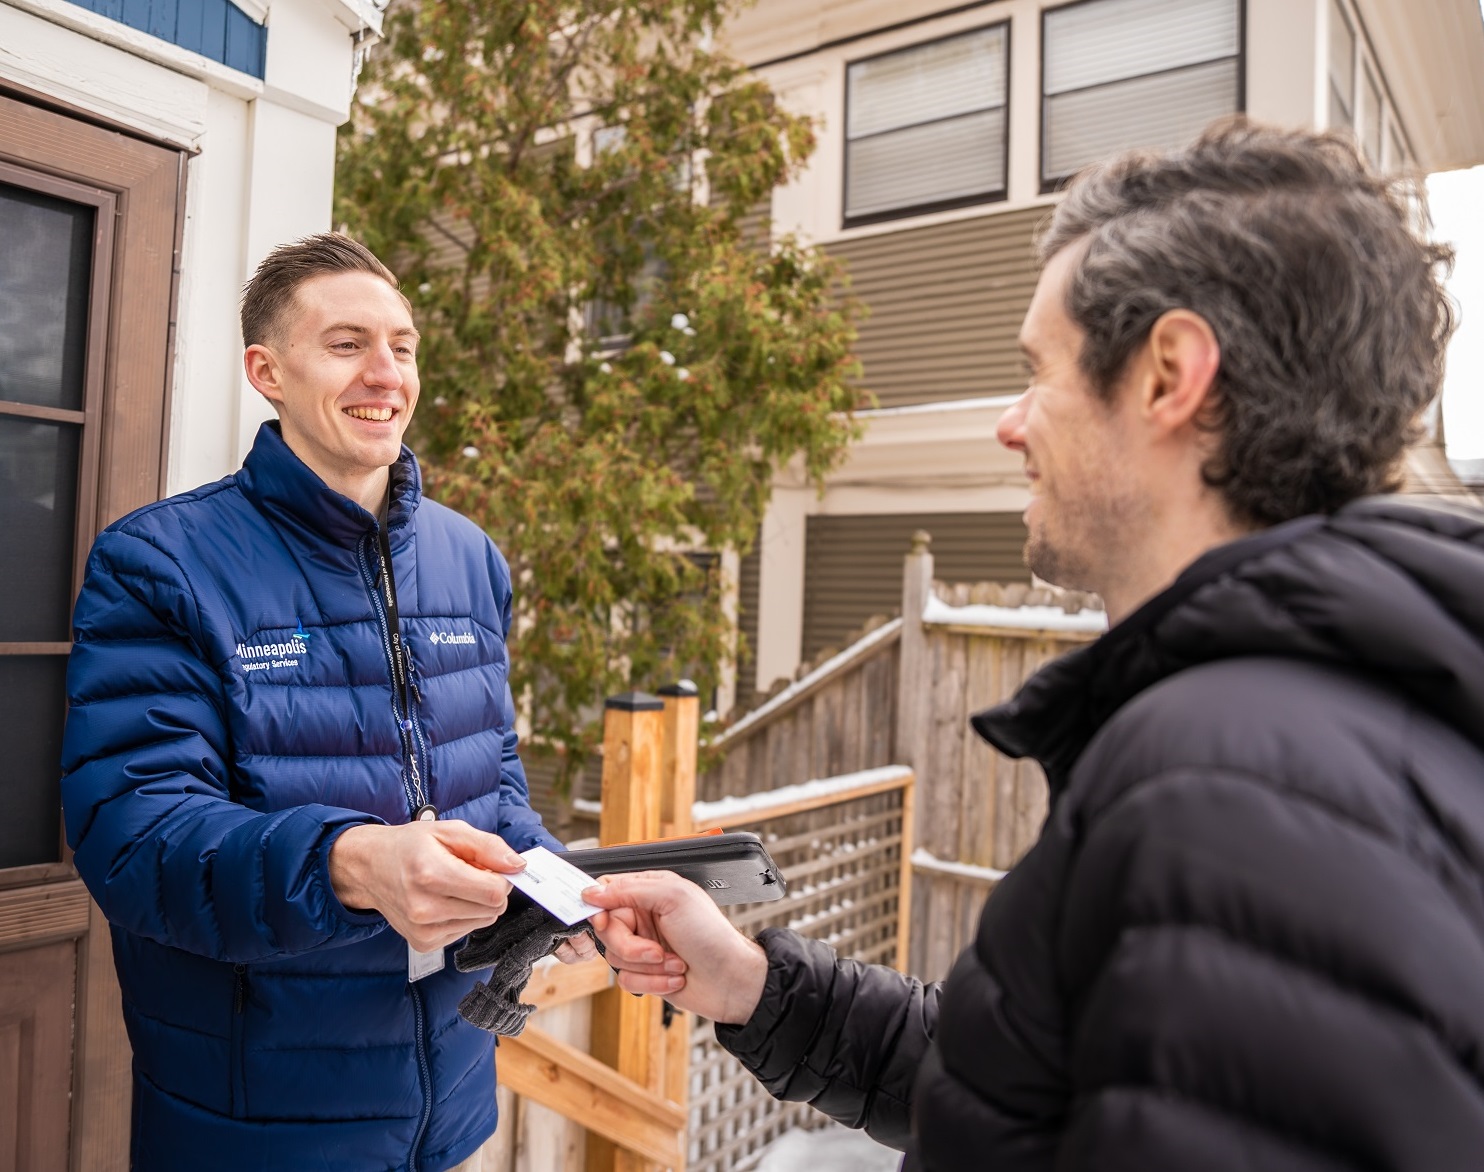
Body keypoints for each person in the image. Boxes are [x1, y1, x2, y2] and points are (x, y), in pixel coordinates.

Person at [584, 119, 1484, 1170]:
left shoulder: (1228, 790)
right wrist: (748, 981)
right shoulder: (1332, 722)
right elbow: (1030, 1094)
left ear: (1167, 375)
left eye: (1037, 371)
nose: (1010, 422)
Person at [61, 234, 592, 1171]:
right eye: (347, 344)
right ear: (266, 371)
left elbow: (495, 788)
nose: (386, 373)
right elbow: (135, 840)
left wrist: (570, 896)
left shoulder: (471, 559)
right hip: (259, 1124)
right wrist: (355, 863)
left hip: (456, 1105)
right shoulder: (161, 565)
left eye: (404, 345)